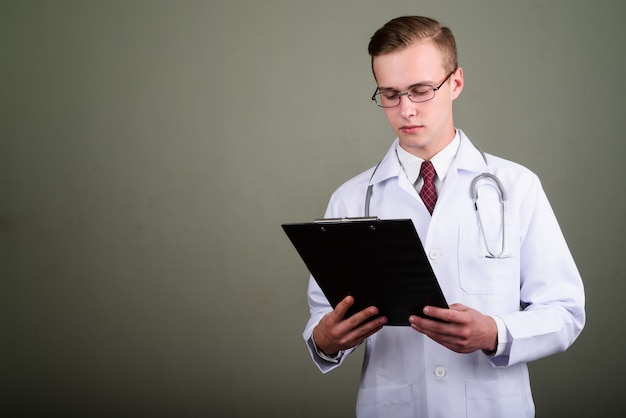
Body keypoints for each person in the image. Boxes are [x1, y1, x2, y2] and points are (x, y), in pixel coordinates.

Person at [302, 16, 585, 418]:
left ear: (455, 83)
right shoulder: (351, 200)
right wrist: (327, 339)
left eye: (420, 90)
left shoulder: (516, 187)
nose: (406, 110)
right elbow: (322, 314)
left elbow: (565, 311)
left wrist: (496, 333)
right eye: (390, 94)